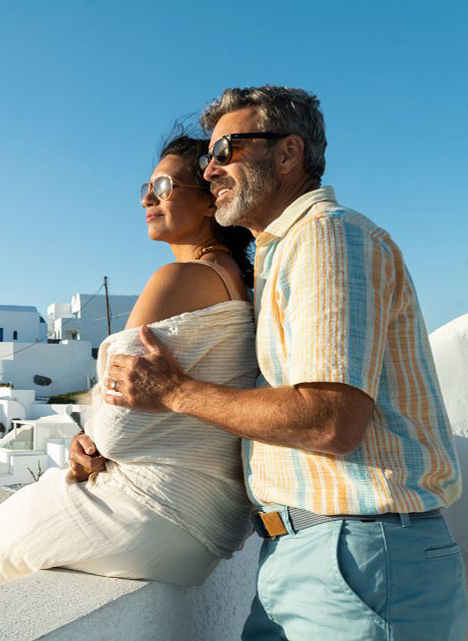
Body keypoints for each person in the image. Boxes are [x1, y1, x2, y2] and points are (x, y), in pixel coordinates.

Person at [102, 86, 466, 641]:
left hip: (356, 556)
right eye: (206, 159)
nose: (211, 169)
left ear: (289, 153)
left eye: (225, 151)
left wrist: (174, 392)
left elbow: (329, 420)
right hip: (308, 555)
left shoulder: (327, 235)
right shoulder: (281, 253)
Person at [0, 134, 258, 619]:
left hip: (153, 509)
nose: (146, 198)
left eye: (163, 185)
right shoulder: (234, 280)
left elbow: (117, 424)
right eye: (144, 187)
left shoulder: (179, 279)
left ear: (209, 196)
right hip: (208, 525)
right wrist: (92, 440)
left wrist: (96, 441)